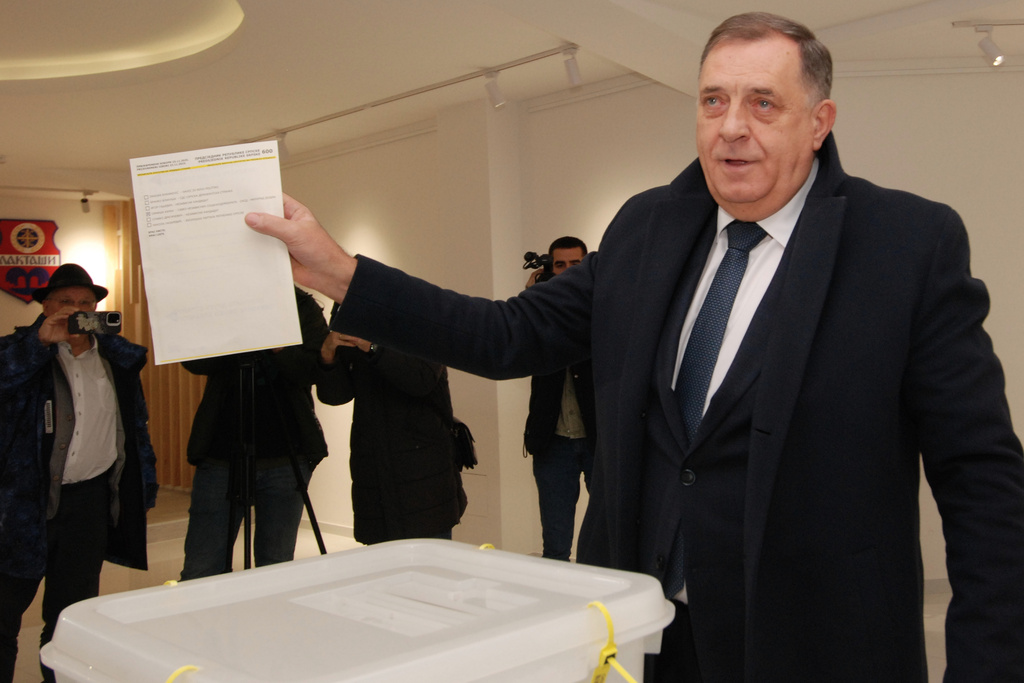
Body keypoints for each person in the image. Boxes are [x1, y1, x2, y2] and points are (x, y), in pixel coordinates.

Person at [243, 12, 1024, 681]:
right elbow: (506, 332)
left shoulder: (907, 245)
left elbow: (982, 479)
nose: (731, 127)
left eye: (762, 103)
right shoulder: (650, 227)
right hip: (642, 635)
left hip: (813, 644)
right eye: (713, 100)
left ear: (819, 123)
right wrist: (345, 274)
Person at [0, 263, 158, 683]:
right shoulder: (17, 349)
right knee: (2, 617)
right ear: (46, 306)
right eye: (66, 302)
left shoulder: (117, 359)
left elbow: (135, 427)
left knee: (71, 619)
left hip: (87, 503)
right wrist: (38, 346)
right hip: (21, 507)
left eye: (85, 304)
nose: (75, 310)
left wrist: (143, 486)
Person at [178, 286, 333, 579]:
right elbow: (192, 360)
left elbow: (312, 370)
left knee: (276, 565)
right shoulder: (219, 299)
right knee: (203, 567)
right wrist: (238, 332)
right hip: (221, 451)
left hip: (286, 452)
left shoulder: (300, 305)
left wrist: (277, 344)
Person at [316, 330, 467, 543]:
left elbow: (421, 380)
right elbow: (335, 396)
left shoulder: (425, 317)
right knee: (381, 568)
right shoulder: (354, 317)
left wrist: (373, 347)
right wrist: (327, 355)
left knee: (429, 565)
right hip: (372, 468)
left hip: (423, 471)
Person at [523, 237, 597, 560]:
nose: (567, 272)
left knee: (610, 540)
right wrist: (531, 300)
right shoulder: (539, 311)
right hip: (553, 442)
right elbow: (521, 351)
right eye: (560, 265)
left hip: (599, 442)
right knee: (555, 547)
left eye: (575, 265)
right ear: (549, 270)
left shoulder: (602, 304)